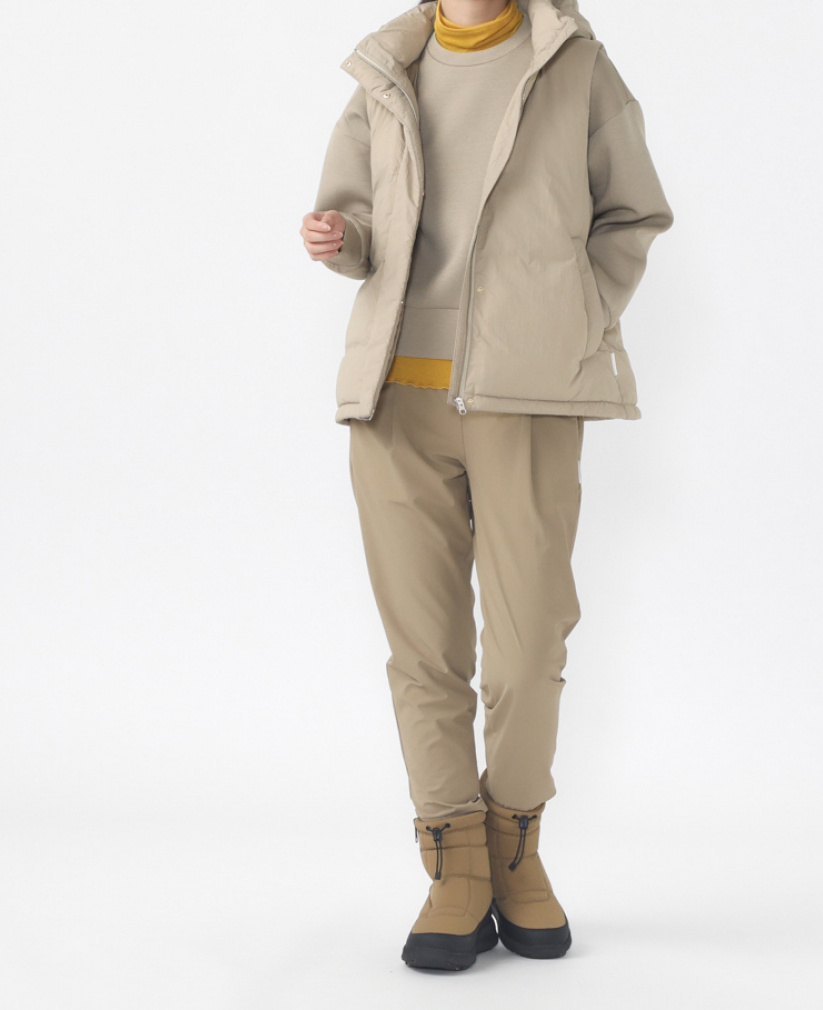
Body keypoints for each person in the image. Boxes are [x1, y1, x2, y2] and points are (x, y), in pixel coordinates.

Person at [300, 0, 673, 972]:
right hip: (395, 401)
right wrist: (340, 237)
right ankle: (453, 861)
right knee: (423, 652)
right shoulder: (385, 68)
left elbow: (632, 212)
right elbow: (361, 223)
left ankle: (515, 847)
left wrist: (568, 316)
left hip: (526, 396)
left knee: (527, 644)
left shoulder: (572, 63)